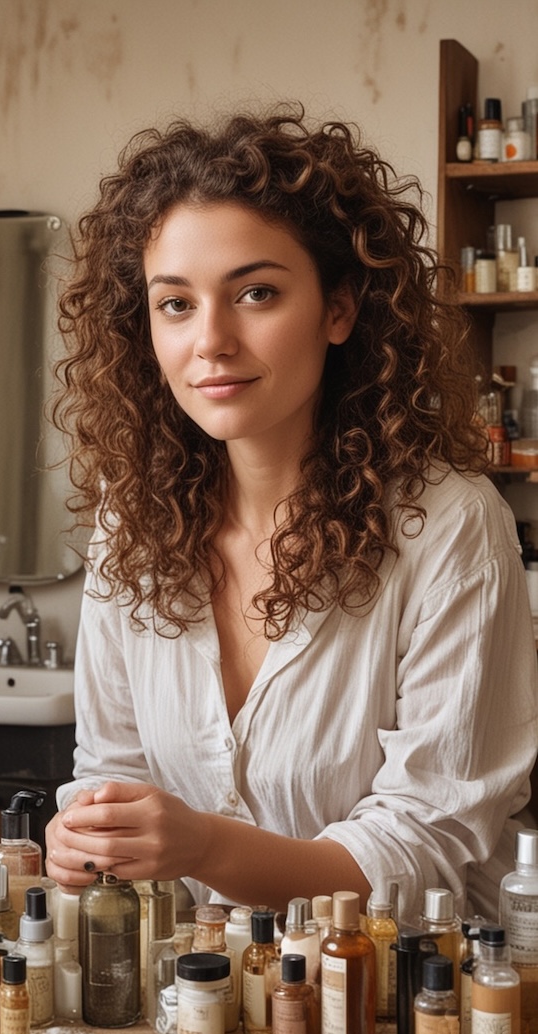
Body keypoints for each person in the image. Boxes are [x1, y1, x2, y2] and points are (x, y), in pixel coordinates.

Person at [44, 107, 538, 919]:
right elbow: (111, 768)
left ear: (339, 309)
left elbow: (425, 838)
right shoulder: (130, 529)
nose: (212, 340)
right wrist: (94, 832)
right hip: (209, 1004)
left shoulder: (450, 528)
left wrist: (204, 847)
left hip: (412, 1004)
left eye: (256, 293)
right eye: (176, 304)